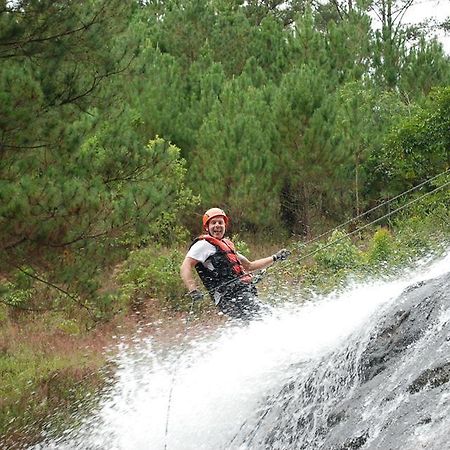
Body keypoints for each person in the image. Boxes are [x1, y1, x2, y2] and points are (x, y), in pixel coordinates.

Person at [180, 207, 290, 320]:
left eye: (220, 222)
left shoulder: (225, 246)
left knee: (254, 322)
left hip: (239, 292)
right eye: (213, 223)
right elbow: (186, 266)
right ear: (207, 227)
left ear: (224, 226)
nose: (217, 225)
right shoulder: (202, 245)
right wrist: (193, 290)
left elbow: (249, 265)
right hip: (227, 297)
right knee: (267, 316)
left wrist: (275, 257)